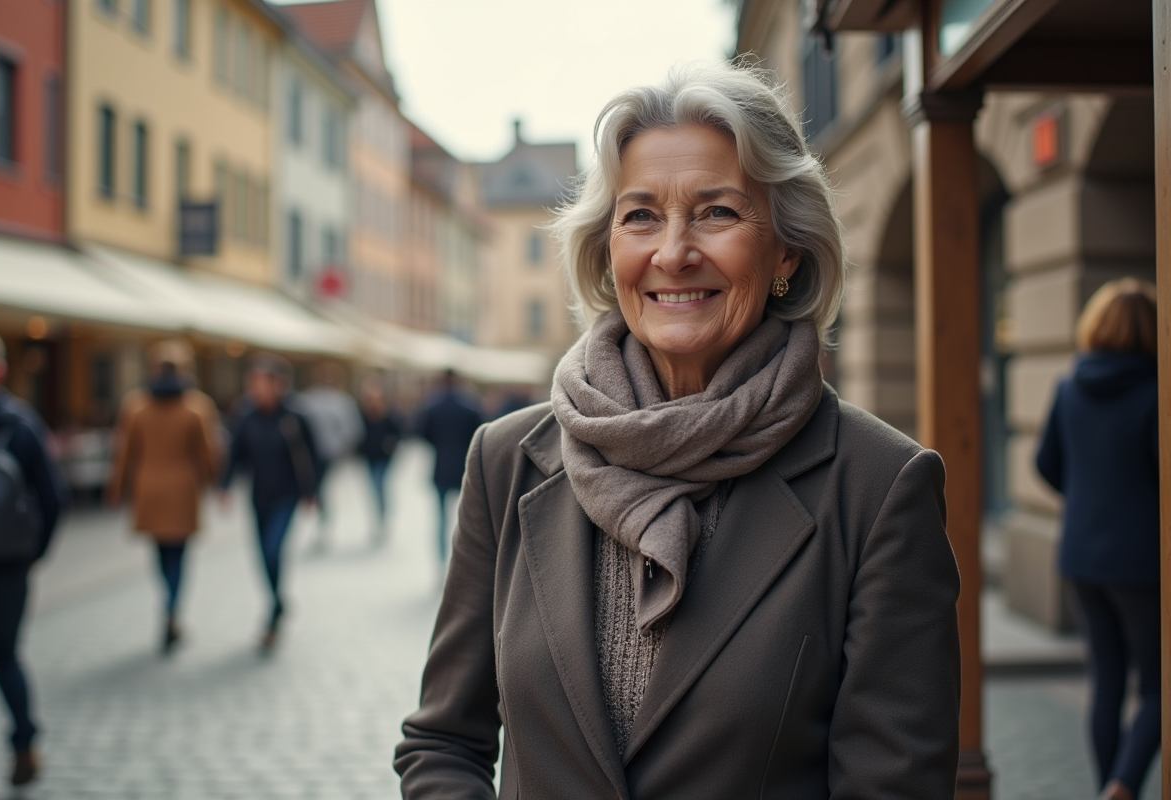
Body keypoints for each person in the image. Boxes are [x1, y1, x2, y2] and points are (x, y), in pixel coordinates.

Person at [396, 63, 961, 798]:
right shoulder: (507, 462)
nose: (672, 252)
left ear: (786, 250)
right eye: (640, 216)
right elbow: (443, 742)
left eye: (717, 212)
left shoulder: (879, 487)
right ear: (606, 250)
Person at [1036, 278, 1160, 800]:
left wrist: (1087, 498)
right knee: (1160, 687)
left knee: (1107, 684)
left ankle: (1106, 785)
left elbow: (1046, 464)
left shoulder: (1069, 387)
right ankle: (1124, 785)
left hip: (1081, 554)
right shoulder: (1159, 392)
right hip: (1143, 561)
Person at [0, 325, 67, 800]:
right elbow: (54, 497)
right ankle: (25, 742)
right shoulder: (23, 422)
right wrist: (35, 552)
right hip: (10, 563)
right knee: (6, 657)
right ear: (0, 369)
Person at [107, 341, 219, 653]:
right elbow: (208, 453)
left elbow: (124, 452)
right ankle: (173, 606)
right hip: (182, 488)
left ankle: (167, 602)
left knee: (159, 552)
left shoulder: (136, 406)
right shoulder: (196, 406)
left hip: (150, 488)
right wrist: (215, 481)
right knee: (179, 555)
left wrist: (116, 489)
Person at [220, 354, 319, 652]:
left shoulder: (294, 416)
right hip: (259, 496)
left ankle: (274, 612)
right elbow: (235, 454)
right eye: (253, 383)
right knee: (262, 555)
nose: (256, 389)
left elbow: (313, 457)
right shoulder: (246, 416)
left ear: (279, 385)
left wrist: (311, 493)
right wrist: (224, 487)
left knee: (274, 549)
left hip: (287, 496)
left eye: (261, 383)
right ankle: (277, 602)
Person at [416, 369, 483, 566]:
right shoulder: (470, 406)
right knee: (468, 519)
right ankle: (463, 562)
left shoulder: (432, 406)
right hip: (465, 467)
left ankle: (441, 559)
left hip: (441, 468)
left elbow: (422, 434)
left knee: (440, 518)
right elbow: (481, 434)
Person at [296, 363, 364, 548]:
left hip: (327, 455)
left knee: (321, 489)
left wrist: (339, 447)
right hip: (313, 455)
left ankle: (322, 526)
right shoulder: (308, 400)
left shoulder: (340, 401)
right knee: (318, 489)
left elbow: (351, 429)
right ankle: (321, 524)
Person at [357, 376, 403, 547]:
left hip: (384, 458)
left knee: (379, 485)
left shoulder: (389, 415)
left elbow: (398, 433)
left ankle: (382, 518)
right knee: (374, 489)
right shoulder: (363, 414)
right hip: (370, 457)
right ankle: (379, 518)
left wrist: (390, 445)